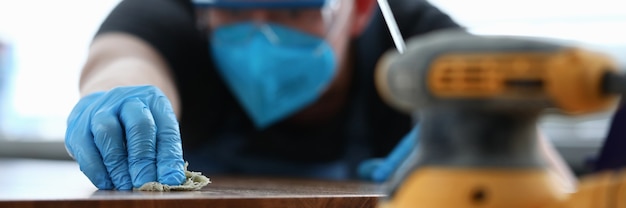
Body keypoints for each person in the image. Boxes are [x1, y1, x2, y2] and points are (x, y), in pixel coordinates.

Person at [65, 0, 575, 190]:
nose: (259, 35)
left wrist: (487, 145)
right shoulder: (168, 16)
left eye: (292, 11)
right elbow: (119, 60)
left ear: (358, 11)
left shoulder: (417, 42)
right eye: (233, 11)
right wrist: (114, 97)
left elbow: (551, 179)